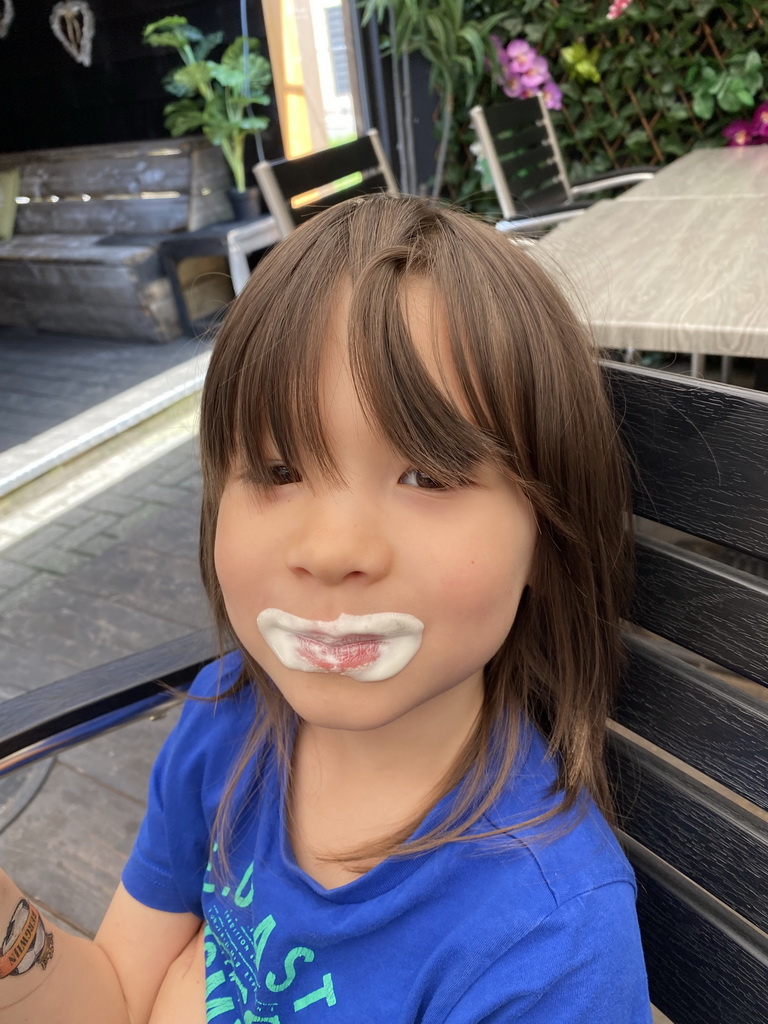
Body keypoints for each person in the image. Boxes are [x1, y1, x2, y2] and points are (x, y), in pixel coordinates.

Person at [0, 194, 652, 1023]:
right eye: (277, 471)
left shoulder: (549, 944)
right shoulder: (225, 715)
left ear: (549, 544)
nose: (332, 549)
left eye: (427, 475)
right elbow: (117, 997)